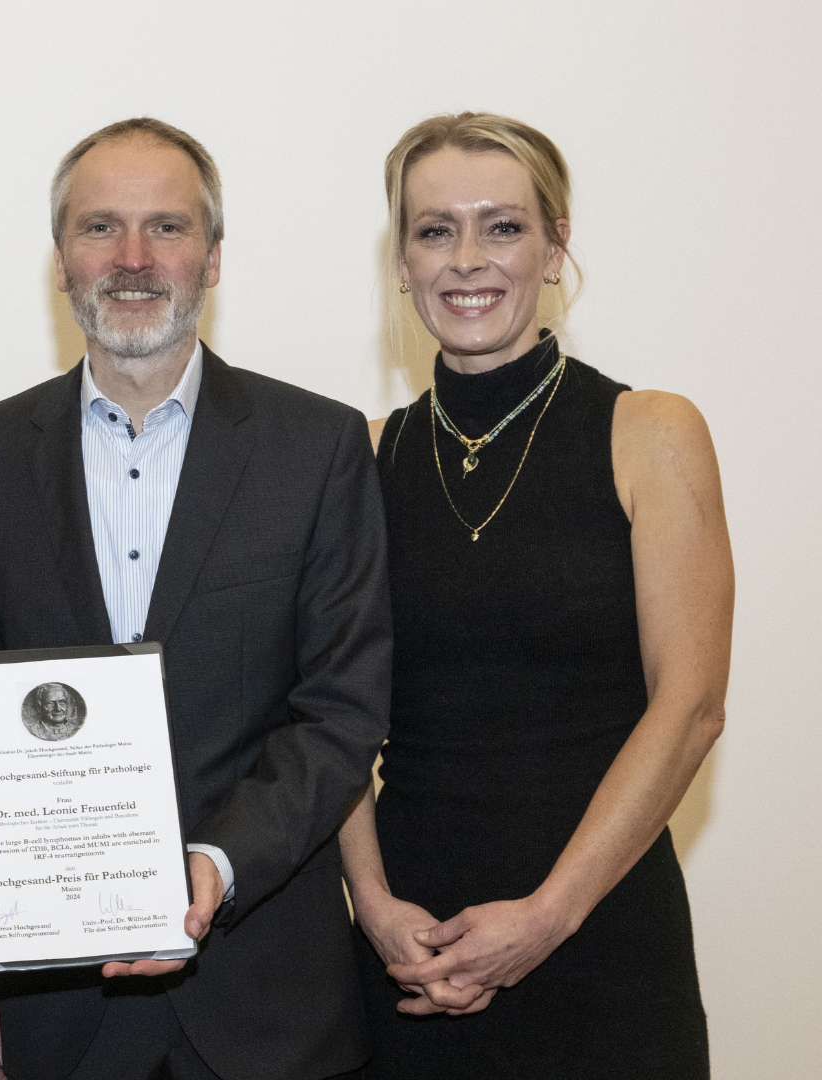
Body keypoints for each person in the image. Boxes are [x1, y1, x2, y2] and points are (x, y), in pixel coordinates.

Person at [0, 118, 391, 1080]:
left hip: (272, 1008)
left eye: (167, 228)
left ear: (213, 257)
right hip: (61, 1008)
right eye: (101, 227)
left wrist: (217, 863)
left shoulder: (319, 448)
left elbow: (343, 710)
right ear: (62, 259)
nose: (133, 259)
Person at [338, 111, 729, 1078]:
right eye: (435, 230)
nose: (467, 259)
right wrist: (373, 906)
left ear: (555, 247)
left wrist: (549, 916)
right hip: (411, 955)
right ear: (402, 263)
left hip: (602, 940)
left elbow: (690, 706)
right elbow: (327, 712)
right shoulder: (360, 459)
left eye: (503, 226)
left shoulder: (650, 433)